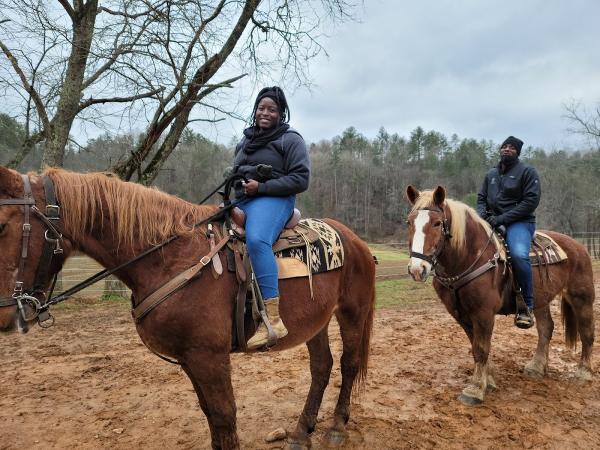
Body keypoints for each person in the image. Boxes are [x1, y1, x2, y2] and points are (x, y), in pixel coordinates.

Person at [232, 86, 310, 349]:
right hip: (243, 198)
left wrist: (262, 187)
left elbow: (301, 179)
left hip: (275, 199)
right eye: (261, 108)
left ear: (281, 113)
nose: (265, 113)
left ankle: (272, 320)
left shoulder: (290, 139)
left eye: (272, 109)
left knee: (255, 240)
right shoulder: (245, 141)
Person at [476, 136, 541, 328]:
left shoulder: (528, 172)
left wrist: (502, 219)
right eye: (504, 146)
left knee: (520, 255)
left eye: (512, 147)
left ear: (518, 152)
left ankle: (527, 305)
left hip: (519, 223)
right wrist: (484, 217)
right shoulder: (491, 174)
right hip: (491, 221)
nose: (507, 149)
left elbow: (530, 202)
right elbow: (481, 199)